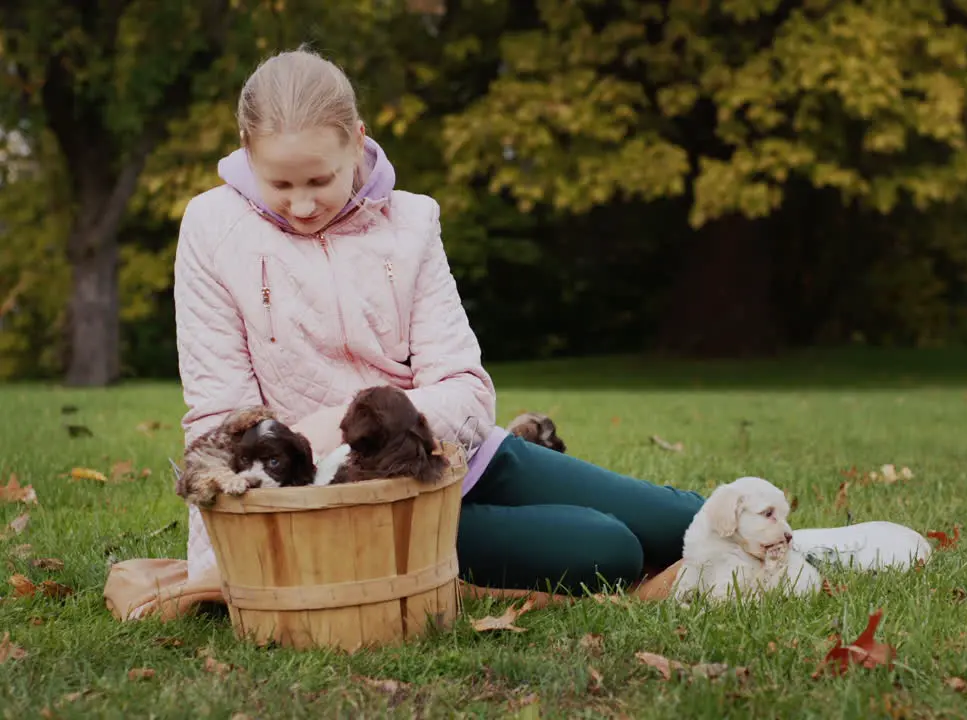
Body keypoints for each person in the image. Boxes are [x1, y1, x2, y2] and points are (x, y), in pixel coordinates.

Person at [173, 47, 704, 596]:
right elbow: (220, 424)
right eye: (280, 186)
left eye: (320, 180)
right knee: (610, 548)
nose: (302, 205)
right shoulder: (212, 227)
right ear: (246, 151)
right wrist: (228, 566)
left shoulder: (412, 222)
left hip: (456, 455)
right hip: (348, 504)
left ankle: (798, 554)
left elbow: (466, 393)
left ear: (357, 141)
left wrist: (346, 420)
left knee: (679, 519)